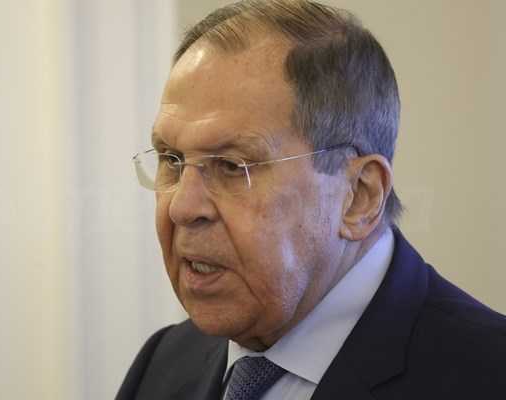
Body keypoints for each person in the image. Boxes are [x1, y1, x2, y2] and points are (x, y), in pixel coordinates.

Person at [117, 1, 506, 399]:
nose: (182, 207)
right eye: (171, 159)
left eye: (232, 166)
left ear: (359, 197)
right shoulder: (161, 363)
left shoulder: (489, 375)